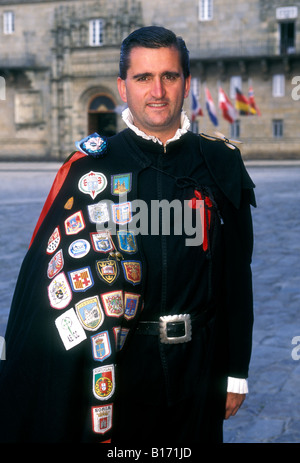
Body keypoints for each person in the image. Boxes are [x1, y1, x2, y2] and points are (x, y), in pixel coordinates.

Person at [0, 26, 255, 444]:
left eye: (169, 76)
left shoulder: (221, 163)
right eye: (143, 78)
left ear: (186, 83)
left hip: (201, 369)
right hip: (119, 373)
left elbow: (236, 276)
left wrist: (236, 371)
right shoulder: (90, 168)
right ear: (123, 86)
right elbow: (46, 287)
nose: (157, 91)